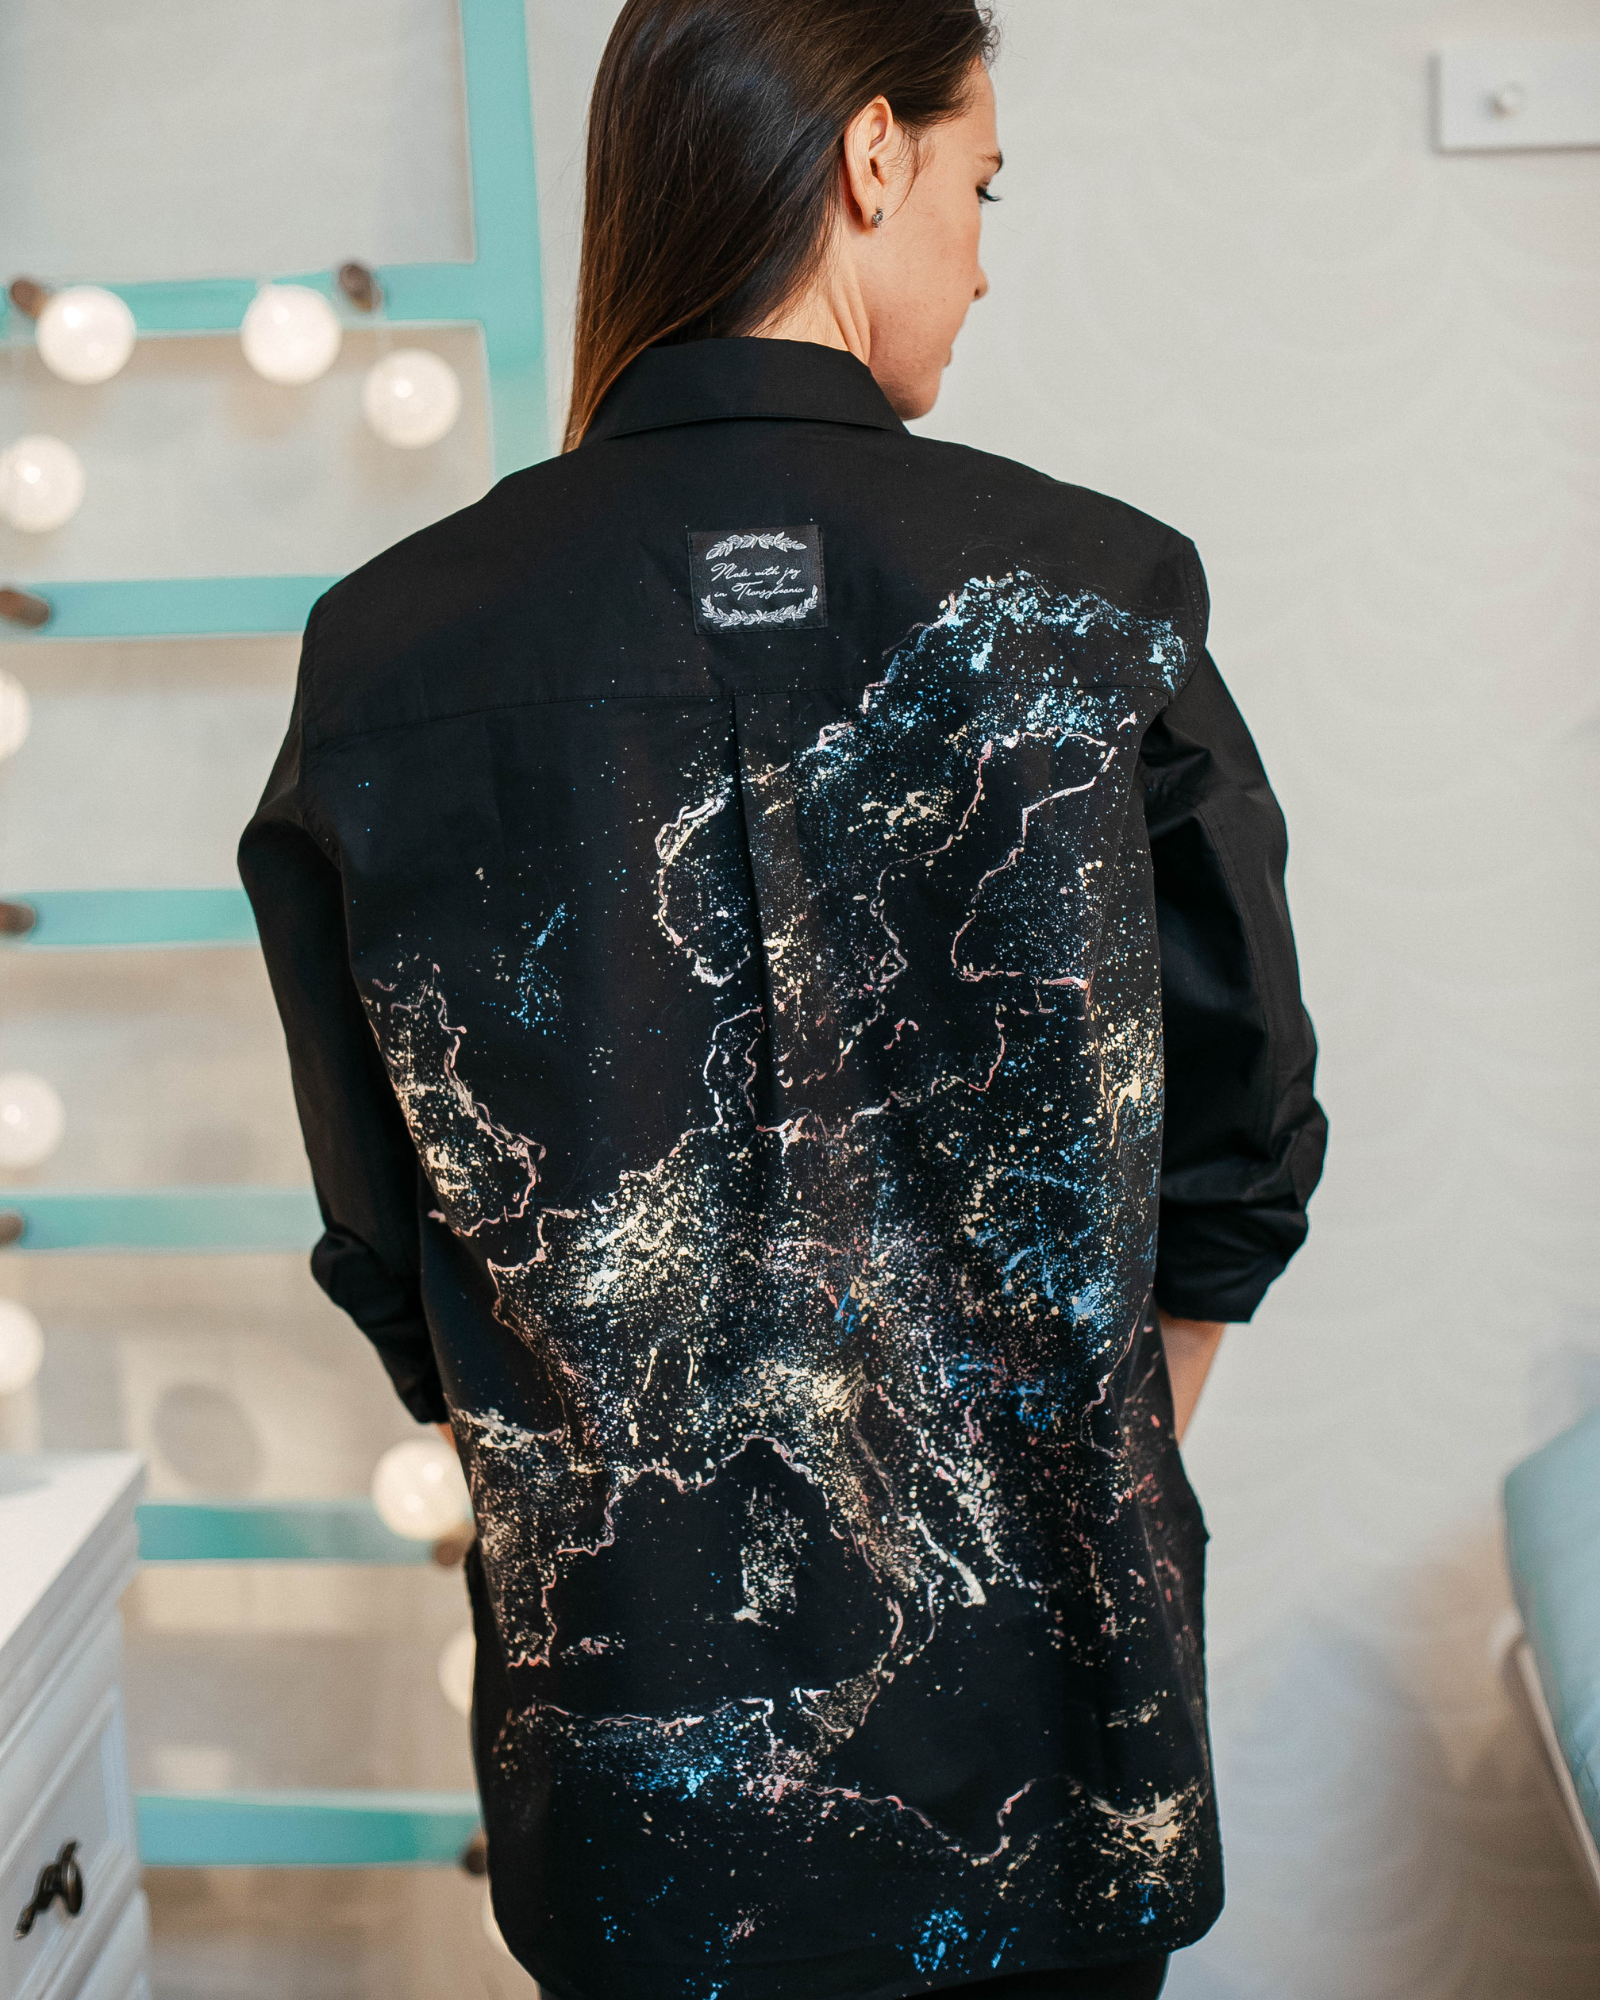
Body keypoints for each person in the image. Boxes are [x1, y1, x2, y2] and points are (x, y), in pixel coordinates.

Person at [240, 2, 1326, 1995]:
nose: (981, 261)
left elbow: (388, 1232)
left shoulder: (388, 647)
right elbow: (1242, 1138)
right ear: (872, 158)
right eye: (981, 183)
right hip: (1058, 1766)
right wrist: (1077, 1459)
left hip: (630, 1794)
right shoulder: (1093, 599)